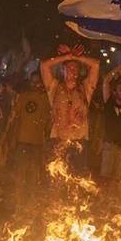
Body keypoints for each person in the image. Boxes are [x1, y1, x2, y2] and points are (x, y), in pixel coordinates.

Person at [40, 44, 99, 174]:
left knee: (78, 179)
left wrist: (78, 57)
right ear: (63, 70)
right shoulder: (54, 87)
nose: (73, 71)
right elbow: (44, 65)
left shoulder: (86, 88)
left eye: (75, 68)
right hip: (58, 141)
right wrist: (67, 56)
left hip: (79, 142)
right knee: (56, 177)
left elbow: (96, 65)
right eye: (69, 67)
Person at [4, 72, 51, 210]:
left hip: (38, 143)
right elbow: (15, 118)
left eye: (37, 81)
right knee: (20, 172)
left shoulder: (46, 99)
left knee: (33, 173)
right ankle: (18, 202)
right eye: (32, 81)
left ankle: (30, 203)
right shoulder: (23, 97)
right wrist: (10, 137)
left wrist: (46, 141)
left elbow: (47, 123)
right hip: (22, 141)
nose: (35, 84)